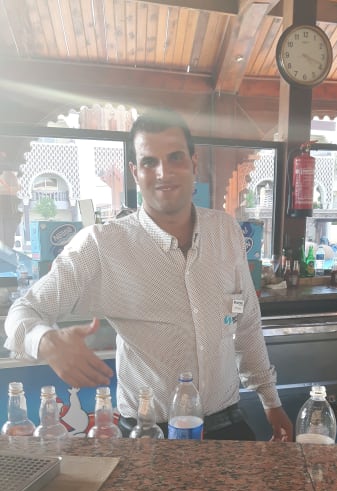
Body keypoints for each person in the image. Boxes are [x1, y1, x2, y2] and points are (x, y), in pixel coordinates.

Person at [4, 108, 292, 441]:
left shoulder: (225, 232)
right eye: (149, 162)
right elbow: (23, 311)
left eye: (175, 158)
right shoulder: (102, 245)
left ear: (194, 164)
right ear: (135, 172)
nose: (163, 172)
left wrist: (271, 401)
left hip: (227, 424)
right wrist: (46, 341)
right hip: (150, 434)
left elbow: (246, 325)